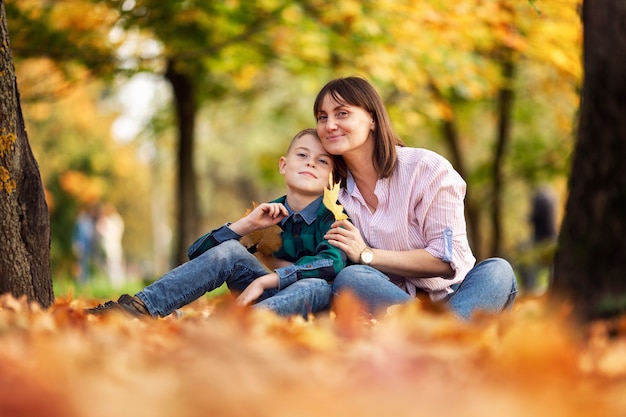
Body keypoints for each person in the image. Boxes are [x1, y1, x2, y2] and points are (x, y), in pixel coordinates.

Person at [86, 128, 347, 318]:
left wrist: (268, 280)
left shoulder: (333, 216)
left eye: (322, 161)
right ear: (283, 165)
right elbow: (200, 257)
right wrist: (244, 226)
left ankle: (223, 326)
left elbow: (331, 263)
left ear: (331, 178)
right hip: (265, 301)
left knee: (315, 285)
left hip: (309, 302)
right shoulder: (266, 215)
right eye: (302, 155)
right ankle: (141, 309)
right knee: (231, 250)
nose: (311, 162)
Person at [316, 76, 517, 320]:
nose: (330, 125)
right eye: (322, 117)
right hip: (394, 305)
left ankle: (438, 334)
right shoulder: (332, 193)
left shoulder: (426, 169)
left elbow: (445, 259)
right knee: (351, 278)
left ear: (372, 119)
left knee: (498, 271)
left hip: (457, 296)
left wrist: (367, 254)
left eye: (342, 113)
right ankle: (448, 337)